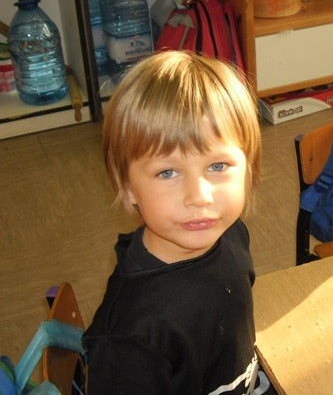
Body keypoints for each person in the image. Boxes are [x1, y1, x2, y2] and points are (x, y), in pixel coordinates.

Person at [83, 51, 263, 393]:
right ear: (127, 187)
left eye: (218, 166)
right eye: (168, 172)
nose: (200, 197)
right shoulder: (131, 337)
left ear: (248, 169)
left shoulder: (231, 234)